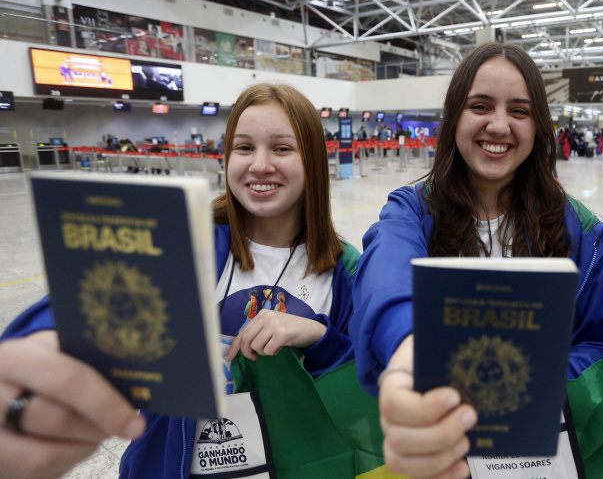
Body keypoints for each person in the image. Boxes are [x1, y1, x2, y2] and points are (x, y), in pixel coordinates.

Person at [0, 82, 360, 479]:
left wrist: (317, 336)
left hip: (301, 462)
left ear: (312, 158)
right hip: (173, 463)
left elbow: (360, 381)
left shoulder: (340, 266)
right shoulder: (185, 242)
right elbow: (79, 308)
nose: (260, 164)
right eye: (243, 148)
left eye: (281, 148)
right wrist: (38, 347)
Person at [351, 42, 603, 479]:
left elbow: (601, 345)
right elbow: (386, 274)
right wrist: (411, 353)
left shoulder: (581, 232)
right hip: (446, 452)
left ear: (538, 125)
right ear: (454, 118)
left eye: (519, 111)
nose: (498, 125)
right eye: (480, 105)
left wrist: (523, 386)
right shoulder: (412, 212)